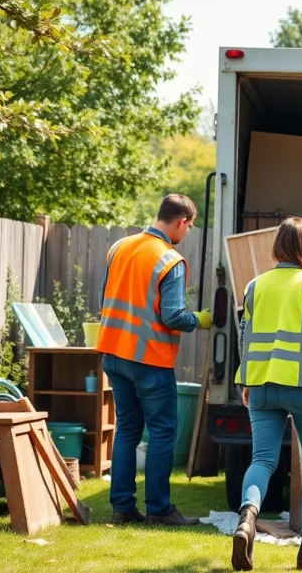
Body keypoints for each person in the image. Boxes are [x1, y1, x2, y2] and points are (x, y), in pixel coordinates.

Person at [231, 216, 302, 572]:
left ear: (279, 245)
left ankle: (247, 519)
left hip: (262, 386)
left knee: (263, 461)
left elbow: (244, 337)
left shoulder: (255, 286)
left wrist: (246, 381)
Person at [96, 193, 213, 526]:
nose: (187, 233)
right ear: (181, 222)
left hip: (114, 354)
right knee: (162, 432)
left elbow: (108, 297)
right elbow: (174, 315)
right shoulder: (169, 260)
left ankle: (122, 508)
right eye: (189, 227)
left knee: (127, 430)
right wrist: (200, 320)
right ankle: (160, 510)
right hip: (148, 359)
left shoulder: (119, 247)